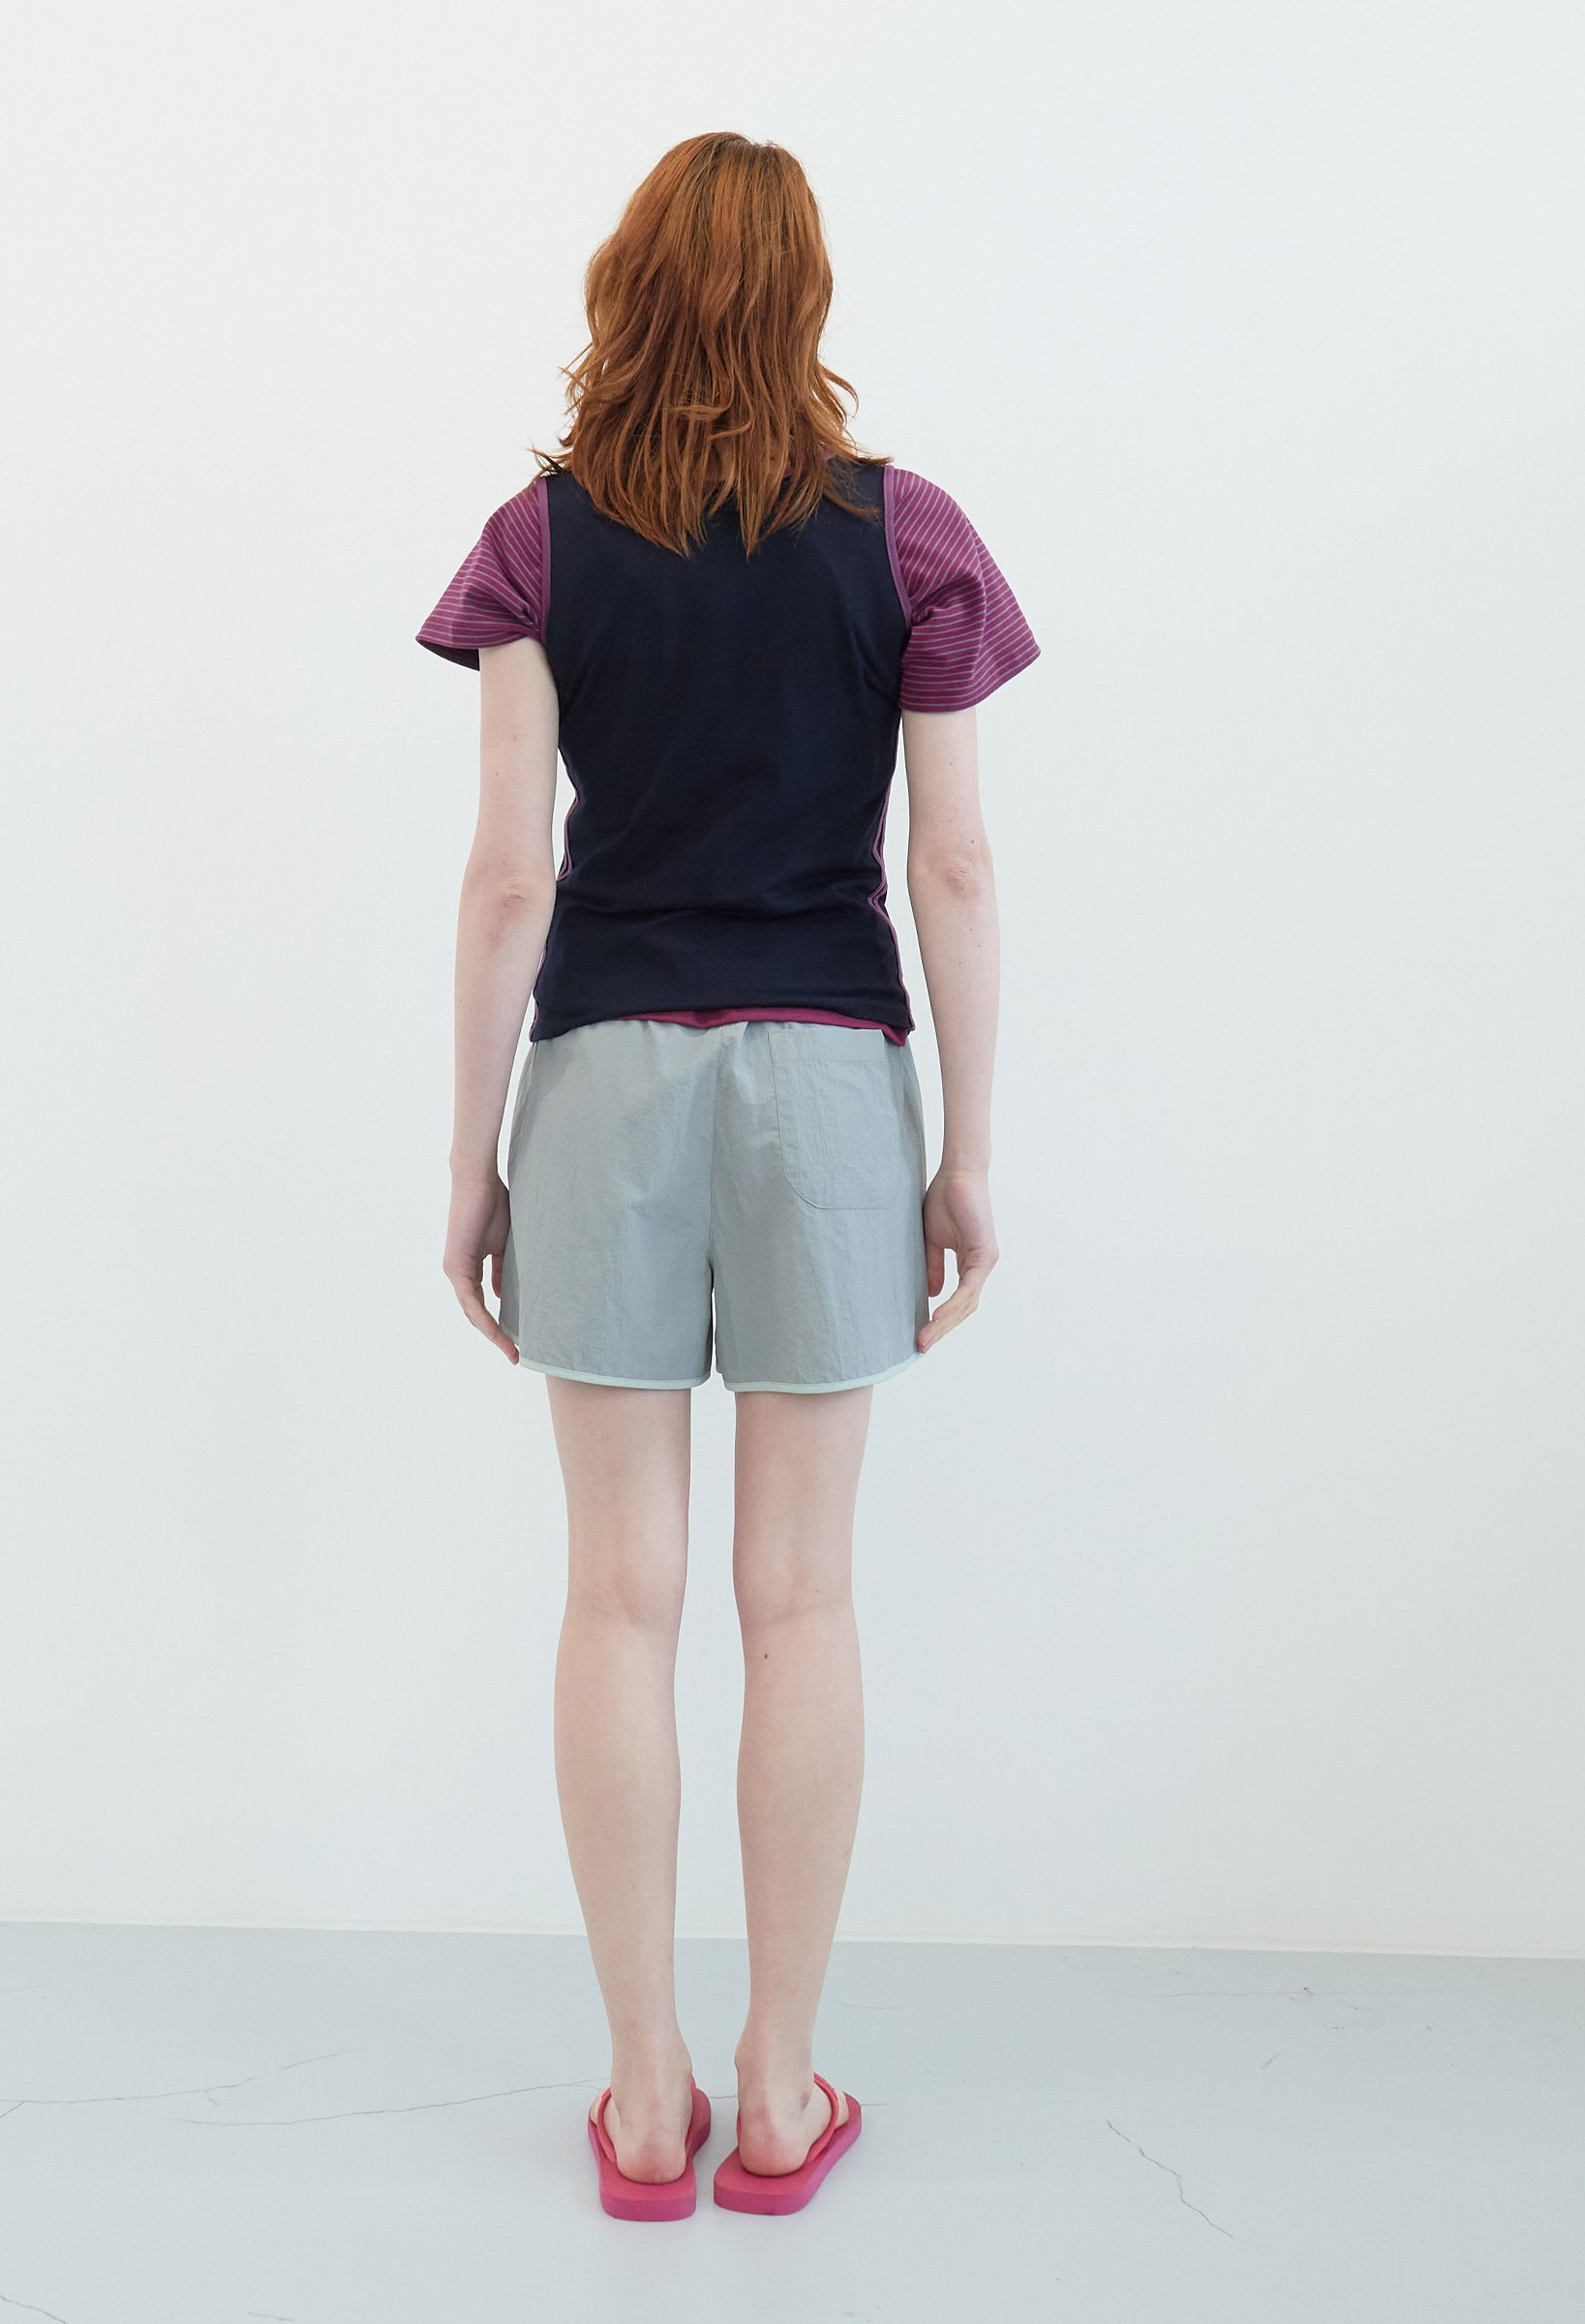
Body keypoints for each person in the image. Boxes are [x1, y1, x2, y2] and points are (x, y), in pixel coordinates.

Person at [419, 131, 1038, 2219]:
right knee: (801, 1597)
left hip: (602, 1074)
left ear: (627, 286)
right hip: (832, 1079)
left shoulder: (538, 541)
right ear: (807, 298)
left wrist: (468, 1161)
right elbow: (954, 862)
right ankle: (778, 2093)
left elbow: (510, 878)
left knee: (620, 1589)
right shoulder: (906, 536)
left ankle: (640, 2098)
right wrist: (968, 1151)